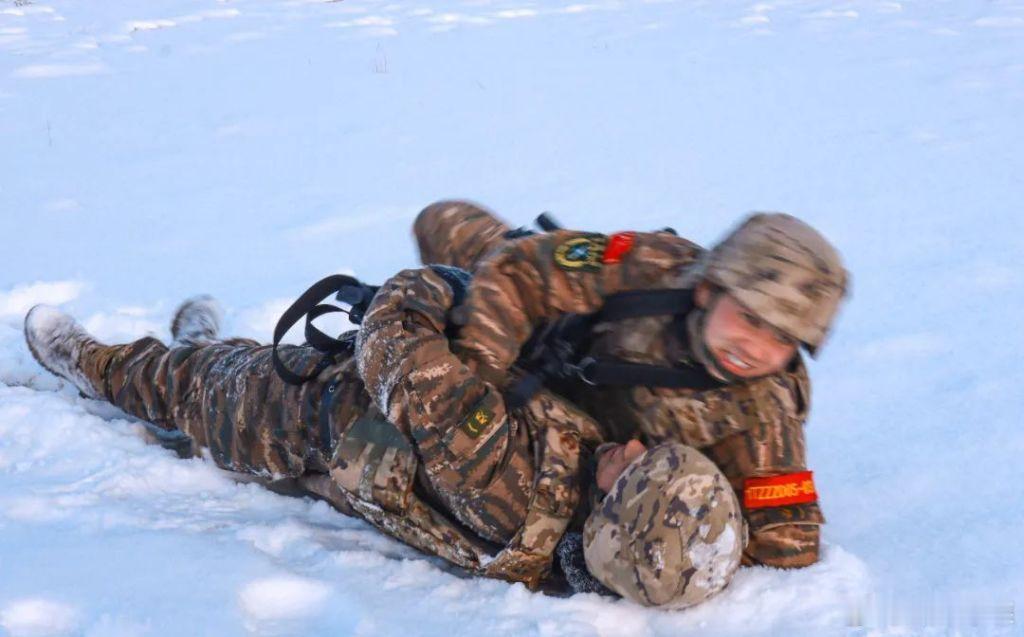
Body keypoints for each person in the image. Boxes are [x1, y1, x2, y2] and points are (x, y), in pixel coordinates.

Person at [24, 267, 744, 609]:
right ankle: (198, 347)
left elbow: (391, 345)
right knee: (211, 371)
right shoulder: (586, 507)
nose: (642, 449)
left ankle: (90, 363)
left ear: (614, 526)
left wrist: (452, 288)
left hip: (305, 416)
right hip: (361, 419)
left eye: (641, 472)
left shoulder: (502, 474)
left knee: (188, 391)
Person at [413, 200, 849, 568]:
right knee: (445, 219)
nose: (756, 348)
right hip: (543, 344)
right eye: (750, 318)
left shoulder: (765, 423)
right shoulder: (655, 264)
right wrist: (475, 380)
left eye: (784, 338)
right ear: (708, 290)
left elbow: (783, 557)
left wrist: (648, 492)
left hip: (586, 461)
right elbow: (522, 271)